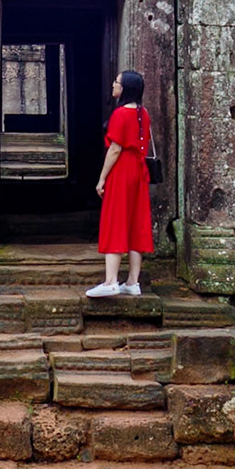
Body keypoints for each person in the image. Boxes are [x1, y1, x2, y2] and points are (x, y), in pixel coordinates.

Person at [88, 68, 154, 298]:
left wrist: (102, 177)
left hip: (122, 170)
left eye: (117, 83)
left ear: (125, 88)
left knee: (115, 220)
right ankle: (133, 282)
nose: (113, 86)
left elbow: (115, 149)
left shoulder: (120, 115)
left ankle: (110, 281)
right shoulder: (142, 113)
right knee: (137, 223)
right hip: (139, 170)